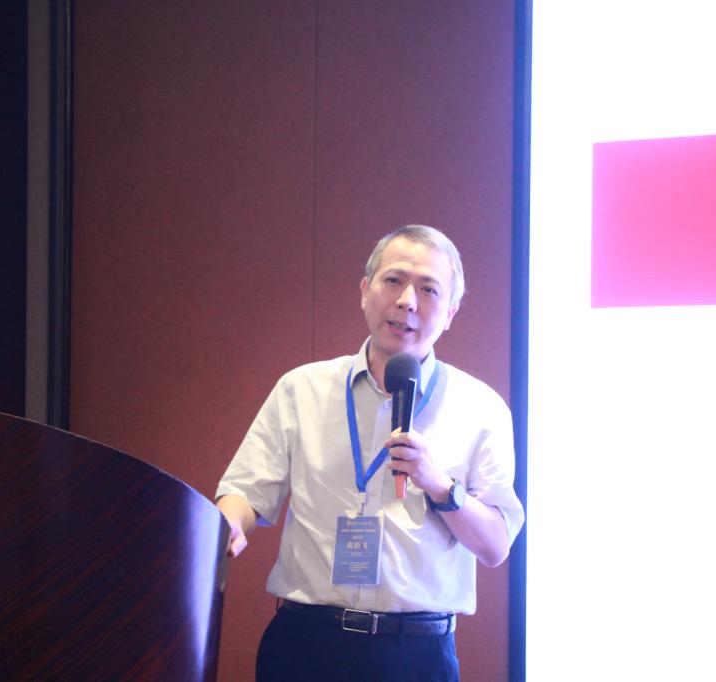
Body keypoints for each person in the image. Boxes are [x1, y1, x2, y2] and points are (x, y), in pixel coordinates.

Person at [215, 224, 524, 682]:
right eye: (393, 280)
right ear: (365, 291)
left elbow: (496, 545)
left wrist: (439, 484)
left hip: (415, 654)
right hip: (305, 645)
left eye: (428, 289)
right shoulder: (302, 388)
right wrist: (224, 525)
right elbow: (246, 492)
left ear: (451, 312)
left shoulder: (481, 407)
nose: (407, 301)